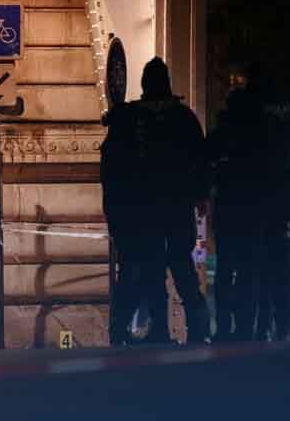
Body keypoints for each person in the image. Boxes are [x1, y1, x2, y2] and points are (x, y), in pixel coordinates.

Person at [101, 58, 210, 345]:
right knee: (182, 269)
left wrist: (115, 213)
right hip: (175, 206)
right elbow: (200, 161)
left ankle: (143, 330)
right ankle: (197, 331)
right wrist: (200, 197)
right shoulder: (183, 118)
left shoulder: (129, 119)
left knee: (144, 270)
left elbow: (112, 169)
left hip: (140, 209)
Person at [206, 86, 266, 342]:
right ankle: (244, 325)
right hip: (251, 212)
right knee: (247, 271)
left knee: (226, 270)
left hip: (228, 211)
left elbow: (206, 164)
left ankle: (224, 325)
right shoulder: (258, 136)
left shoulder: (222, 134)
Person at [247, 68, 290, 342]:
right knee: (285, 269)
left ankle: (261, 324)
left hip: (261, 199)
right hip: (287, 201)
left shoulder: (254, 110)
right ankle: (280, 325)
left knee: (262, 267)